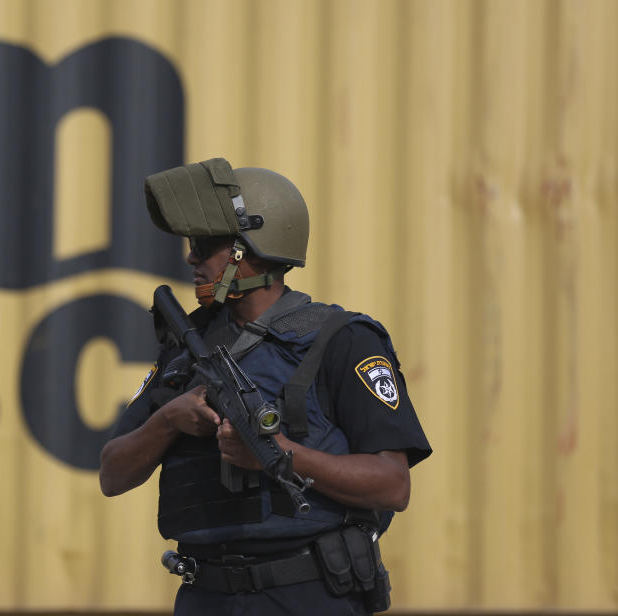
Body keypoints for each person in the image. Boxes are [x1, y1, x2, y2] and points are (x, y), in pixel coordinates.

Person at [99, 158, 432, 615]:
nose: (192, 258)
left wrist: (278, 454)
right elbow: (112, 474)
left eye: (205, 244)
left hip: (307, 595)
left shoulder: (343, 340)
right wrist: (170, 419)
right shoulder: (186, 349)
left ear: (246, 250)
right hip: (206, 595)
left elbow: (393, 486)